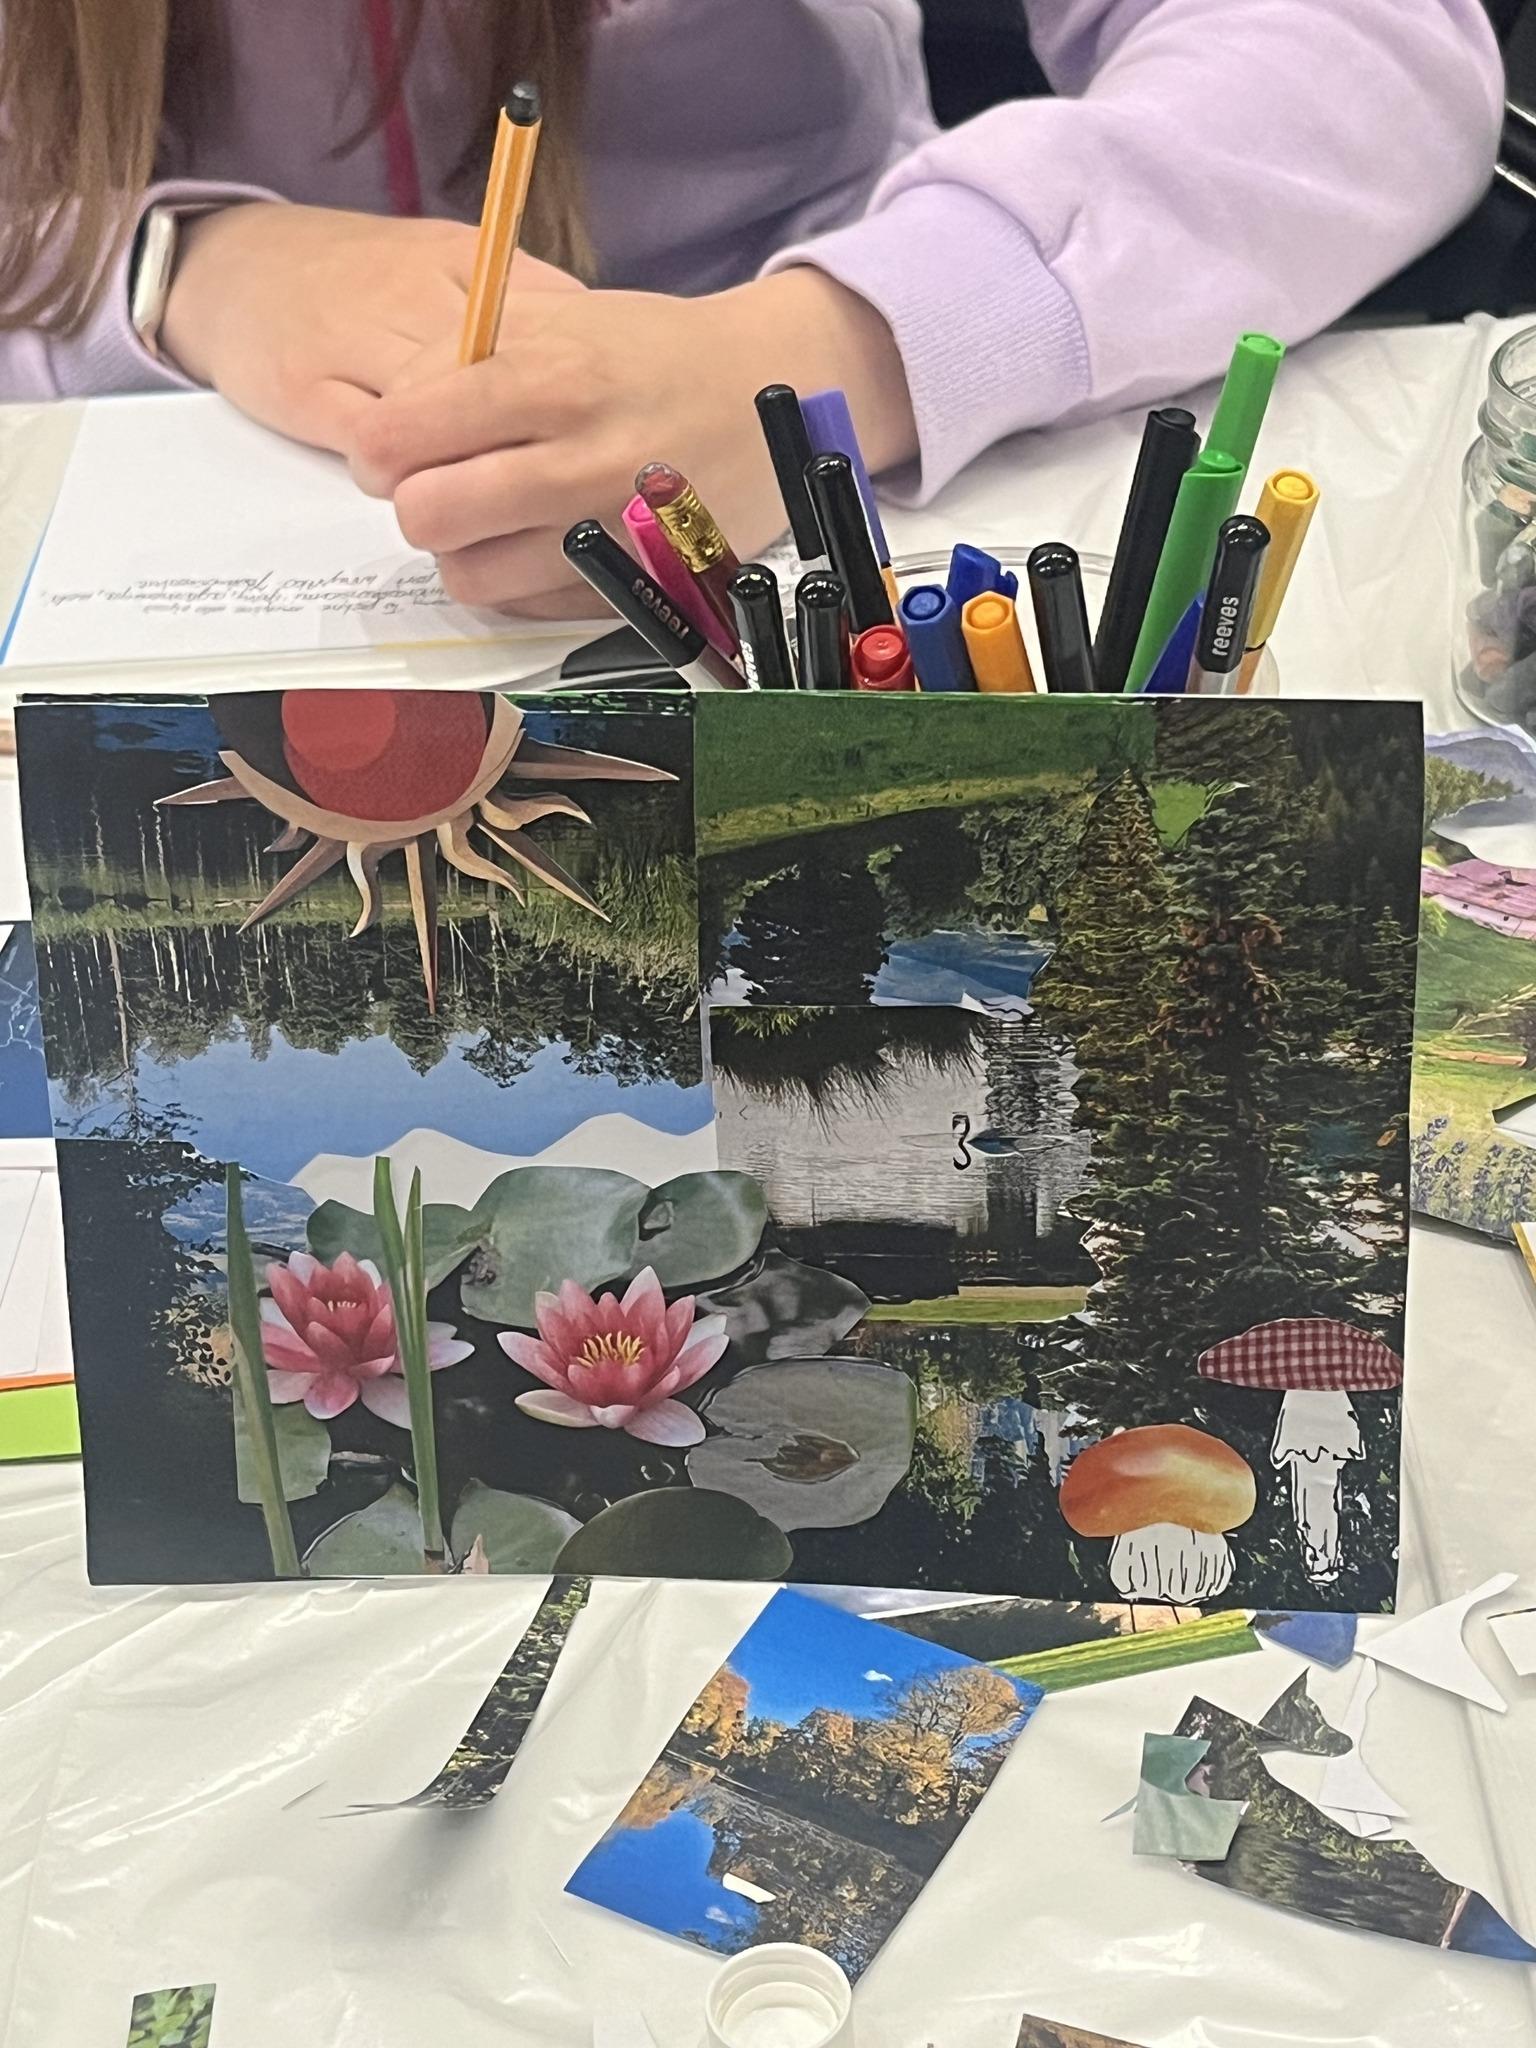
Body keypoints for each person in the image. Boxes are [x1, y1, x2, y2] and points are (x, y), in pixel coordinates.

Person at [0, 1, 1504, 615]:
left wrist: (838, 349)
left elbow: (1363, 46)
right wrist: (171, 266)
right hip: (202, 530)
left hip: (866, 482)